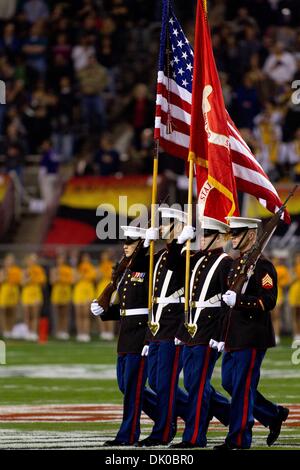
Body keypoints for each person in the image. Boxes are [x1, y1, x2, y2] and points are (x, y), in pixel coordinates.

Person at [214, 217, 289, 450]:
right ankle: (272, 415)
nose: (233, 238)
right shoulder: (237, 264)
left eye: (238, 233)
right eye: (232, 234)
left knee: (241, 387)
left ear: (252, 235)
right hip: (233, 336)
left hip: (252, 335)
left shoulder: (263, 266)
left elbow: (269, 301)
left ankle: (239, 438)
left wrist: (241, 301)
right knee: (229, 382)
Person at [91, 227, 157, 446]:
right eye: (125, 242)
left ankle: (127, 434)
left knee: (132, 387)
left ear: (141, 244)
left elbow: (149, 306)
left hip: (140, 333)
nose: (125, 245)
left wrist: (149, 336)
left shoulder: (149, 265)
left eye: (131, 242)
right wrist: (105, 311)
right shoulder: (124, 270)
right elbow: (125, 307)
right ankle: (170, 412)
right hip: (126, 334)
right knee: (125, 385)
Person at [171, 216, 232, 448]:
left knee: (197, 383)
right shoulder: (196, 259)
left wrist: (220, 335)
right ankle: (235, 416)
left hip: (208, 329)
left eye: (207, 235)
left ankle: (195, 437)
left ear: (219, 237)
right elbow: (174, 268)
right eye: (201, 234)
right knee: (193, 383)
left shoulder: (225, 262)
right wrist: (179, 242)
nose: (202, 239)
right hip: (190, 328)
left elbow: (227, 303)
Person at [137, 208, 189, 447]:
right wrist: (145, 245)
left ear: (177, 227)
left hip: (172, 324)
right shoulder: (159, 255)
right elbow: (137, 271)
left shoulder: (187, 254)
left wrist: (179, 241)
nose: (160, 228)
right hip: (156, 325)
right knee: (156, 382)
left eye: (166, 224)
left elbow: (176, 267)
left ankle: (164, 430)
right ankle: (199, 410)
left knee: (166, 383)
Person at [21, 253, 46, 341]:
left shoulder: (39, 270)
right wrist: (28, 278)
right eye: (31, 260)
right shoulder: (25, 271)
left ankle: (34, 332)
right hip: (27, 293)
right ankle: (27, 332)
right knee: (27, 314)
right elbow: (22, 283)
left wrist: (35, 277)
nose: (32, 261)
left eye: (34, 260)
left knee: (35, 314)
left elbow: (43, 282)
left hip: (36, 293)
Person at [73, 253, 96, 342]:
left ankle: (86, 333)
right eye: (84, 258)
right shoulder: (77, 269)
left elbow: (95, 279)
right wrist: (81, 273)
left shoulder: (92, 268)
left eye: (87, 258)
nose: (86, 259)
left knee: (86, 314)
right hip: (79, 291)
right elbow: (74, 280)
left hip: (88, 291)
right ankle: (80, 333)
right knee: (79, 314)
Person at [50, 253, 74, 340]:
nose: (61, 261)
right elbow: (52, 281)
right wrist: (58, 276)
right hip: (57, 292)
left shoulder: (68, 269)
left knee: (65, 313)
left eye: (62, 259)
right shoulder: (54, 270)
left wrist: (62, 279)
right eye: (59, 259)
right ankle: (57, 331)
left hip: (66, 292)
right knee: (57, 313)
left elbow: (72, 280)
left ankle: (64, 331)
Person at [0, 254, 22, 338]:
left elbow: (20, 281)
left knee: (12, 312)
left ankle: (10, 330)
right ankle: (4, 330)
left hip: (14, 292)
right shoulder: (2, 271)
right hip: (5, 292)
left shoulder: (16, 270)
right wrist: (5, 275)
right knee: (4, 312)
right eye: (8, 260)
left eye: (12, 260)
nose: (10, 262)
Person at [96, 250, 115, 340]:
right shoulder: (99, 266)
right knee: (101, 310)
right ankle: (103, 332)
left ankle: (110, 332)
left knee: (110, 310)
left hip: (110, 288)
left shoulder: (112, 265)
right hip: (101, 288)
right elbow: (97, 278)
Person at [288, 253, 300, 342]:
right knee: (295, 314)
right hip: (295, 292)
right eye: (297, 258)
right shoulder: (293, 269)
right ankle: (296, 334)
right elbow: (289, 281)